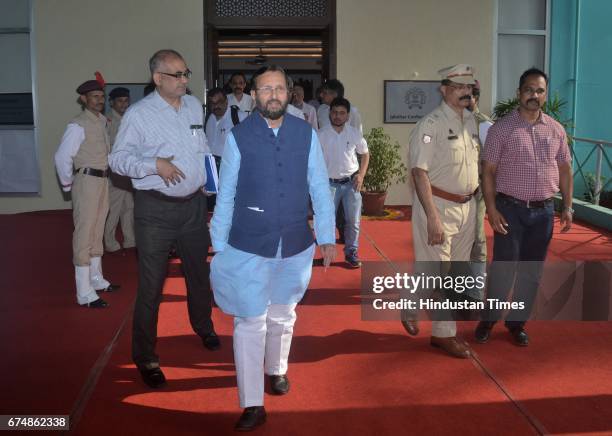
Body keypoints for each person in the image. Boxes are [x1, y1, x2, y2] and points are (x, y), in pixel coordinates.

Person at [210, 65, 335, 431]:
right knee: (250, 320)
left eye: (280, 88)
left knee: (283, 313)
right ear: (254, 95)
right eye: (266, 89)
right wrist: (219, 245)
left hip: (295, 241)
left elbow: (320, 186)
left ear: (289, 91)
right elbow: (226, 193)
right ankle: (251, 403)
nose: (274, 95)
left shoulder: (305, 133)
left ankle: (276, 369)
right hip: (249, 242)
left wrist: (326, 235)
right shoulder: (237, 137)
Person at [109, 49, 219, 389]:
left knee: (199, 275)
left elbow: (199, 149)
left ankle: (203, 326)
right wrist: (154, 164)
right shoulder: (139, 115)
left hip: (193, 208)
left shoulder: (191, 106)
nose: (185, 80)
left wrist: (209, 184)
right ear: (158, 78)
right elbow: (118, 160)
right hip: (155, 210)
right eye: (178, 75)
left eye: (186, 73)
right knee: (152, 287)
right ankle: (146, 357)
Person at [474, 68, 573, 346]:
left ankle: (517, 323)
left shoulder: (556, 129)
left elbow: (565, 169)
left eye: (539, 91)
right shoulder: (502, 129)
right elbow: (488, 171)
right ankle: (489, 320)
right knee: (504, 268)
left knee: (532, 271)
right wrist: (491, 210)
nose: (534, 95)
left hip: (543, 214)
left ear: (545, 95)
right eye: (529, 90)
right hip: (510, 211)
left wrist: (567, 206)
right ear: (519, 93)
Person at [402, 64, 480, 358]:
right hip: (438, 206)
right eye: (459, 87)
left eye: (469, 88)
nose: (465, 92)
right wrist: (433, 216)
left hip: (467, 206)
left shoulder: (471, 122)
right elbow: (419, 173)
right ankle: (443, 334)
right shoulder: (430, 125)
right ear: (444, 89)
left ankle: (416, 304)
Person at [54, 74, 120, 309]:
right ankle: (83, 292)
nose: (99, 100)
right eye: (94, 97)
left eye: (102, 97)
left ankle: (96, 279)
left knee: (97, 229)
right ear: (83, 99)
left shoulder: (102, 121)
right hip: (86, 180)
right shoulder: (77, 124)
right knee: (84, 233)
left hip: (102, 181)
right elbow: (62, 156)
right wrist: (67, 184)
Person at [318, 97, 369, 268]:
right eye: (334, 112)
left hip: (351, 184)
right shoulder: (321, 134)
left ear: (347, 116)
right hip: (328, 184)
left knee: (353, 221)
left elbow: (365, 154)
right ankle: (327, 253)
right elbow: (314, 160)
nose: (337, 116)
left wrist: (361, 175)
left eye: (341, 113)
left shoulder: (354, 133)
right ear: (329, 114)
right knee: (327, 220)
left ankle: (351, 253)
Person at [466, 80, 494, 301]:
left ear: (475, 98)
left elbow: (493, 166)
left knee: (476, 241)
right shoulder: (445, 122)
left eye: (468, 96)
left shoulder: (485, 126)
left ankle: (475, 293)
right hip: (447, 194)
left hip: (475, 194)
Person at [104, 87, 136, 252]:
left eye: (126, 100)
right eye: (120, 101)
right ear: (111, 102)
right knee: (115, 208)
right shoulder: (107, 121)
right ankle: (109, 241)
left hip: (128, 171)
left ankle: (130, 240)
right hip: (115, 172)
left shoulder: (129, 119)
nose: (124, 104)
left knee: (129, 207)